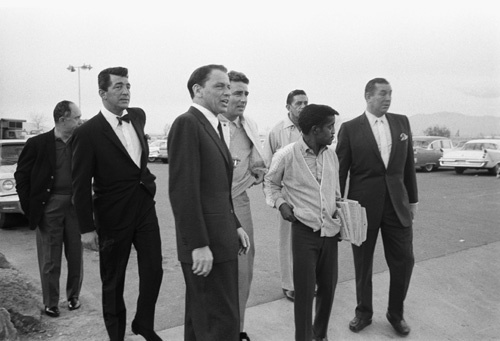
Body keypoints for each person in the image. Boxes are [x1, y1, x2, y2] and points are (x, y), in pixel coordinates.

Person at [71, 67, 164, 341]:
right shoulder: (87, 132)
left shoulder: (137, 117)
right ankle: (116, 336)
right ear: (102, 93)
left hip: (144, 206)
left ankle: (143, 323)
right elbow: (79, 184)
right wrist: (86, 229)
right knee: (113, 281)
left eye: (128, 86)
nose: (125, 92)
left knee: (154, 269)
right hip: (112, 215)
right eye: (118, 87)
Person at [168, 64, 250, 341]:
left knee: (201, 322)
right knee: (220, 324)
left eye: (228, 86)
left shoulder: (213, 125)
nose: (227, 92)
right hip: (207, 246)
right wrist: (198, 244)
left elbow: (217, 190)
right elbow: (183, 191)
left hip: (222, 237)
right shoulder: (187, 123)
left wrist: (235, 225)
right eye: (220, 86)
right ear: (197, 90)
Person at [335, 78, 418, 336]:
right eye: (382, 93)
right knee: (363, 263)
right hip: (362, 207)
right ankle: (364, 313)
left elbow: (407, 167)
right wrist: (338, 205)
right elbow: (341, 170)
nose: (388, 98)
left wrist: (412, 200)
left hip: (397, 205)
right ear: (368, 96)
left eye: (390, 93)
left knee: (404, 261)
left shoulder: (402, 122)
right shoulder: (349, 129)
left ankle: (396, 313)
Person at [264, 104, 341, 341]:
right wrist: (280, 204)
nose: (333, 132)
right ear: (315, 130)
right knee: (305, 293)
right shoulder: (286, 155)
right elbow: (270, 183)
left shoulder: (331, 154)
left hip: (330, 233)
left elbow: (335, 191)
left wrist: (341, 216)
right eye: (329, 127)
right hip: (304, 233)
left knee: (327, 290)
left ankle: (320, 335)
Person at [15, 100, 84, 318]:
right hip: (50, 206)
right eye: (77, 117)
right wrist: (30, 207)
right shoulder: (37, 144)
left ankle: (73, 297)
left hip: (75, 206)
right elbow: (21, 176)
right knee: (49, 258)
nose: (80, 121)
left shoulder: (81, 142)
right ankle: (50, 302)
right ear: (63, 119)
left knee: (76, 255)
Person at [218, 70, 267, 341]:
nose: (243, 99)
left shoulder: (249, 125)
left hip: (239, 203)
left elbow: (256, 162)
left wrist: (256, 170)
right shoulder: (211, 126)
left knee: (243, 270)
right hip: (213, 205)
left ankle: (236, 330)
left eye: (246, 93)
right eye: (237, 93)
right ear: (225, 94)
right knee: (214, 272)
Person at [263, 89, 308, 301]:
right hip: (287, 194)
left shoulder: (311, 126)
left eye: (305, 103)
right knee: (288, 240)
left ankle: (308, 282)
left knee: (310, 240)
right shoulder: (277, 131)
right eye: (298, 103)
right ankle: (289, 284)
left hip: (310, 194)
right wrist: (277, 199)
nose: (302, 107)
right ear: (288, 106)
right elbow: (269, 166)